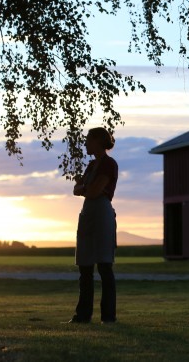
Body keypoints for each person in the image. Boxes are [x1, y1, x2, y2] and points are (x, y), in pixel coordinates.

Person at [69, 127, 118, 324]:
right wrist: (85, 188)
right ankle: (83, 315)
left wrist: (84, 188)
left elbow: (93, 192)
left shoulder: (109, 164)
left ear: (98, 140)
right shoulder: (91, 166)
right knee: (85, 267)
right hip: (88, 213)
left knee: (104, 266)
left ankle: (108, 316)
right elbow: (77, 189)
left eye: (88, 140)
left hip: (102, 214)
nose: (86, 144)